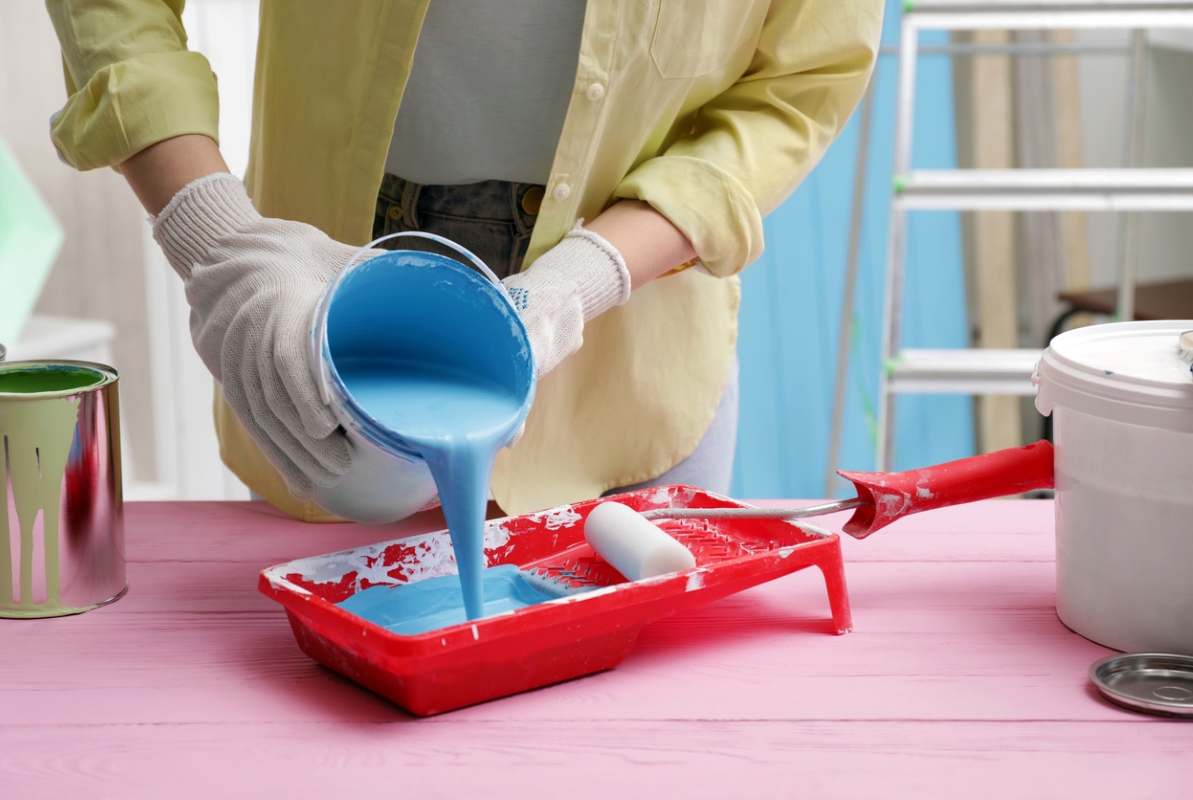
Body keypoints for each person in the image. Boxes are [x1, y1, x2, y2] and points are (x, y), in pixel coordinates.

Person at [46, 0, 882, 521]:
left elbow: (801, 82)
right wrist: (217, 233)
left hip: (629, 355)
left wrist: (587, 277)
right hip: (312, 329)